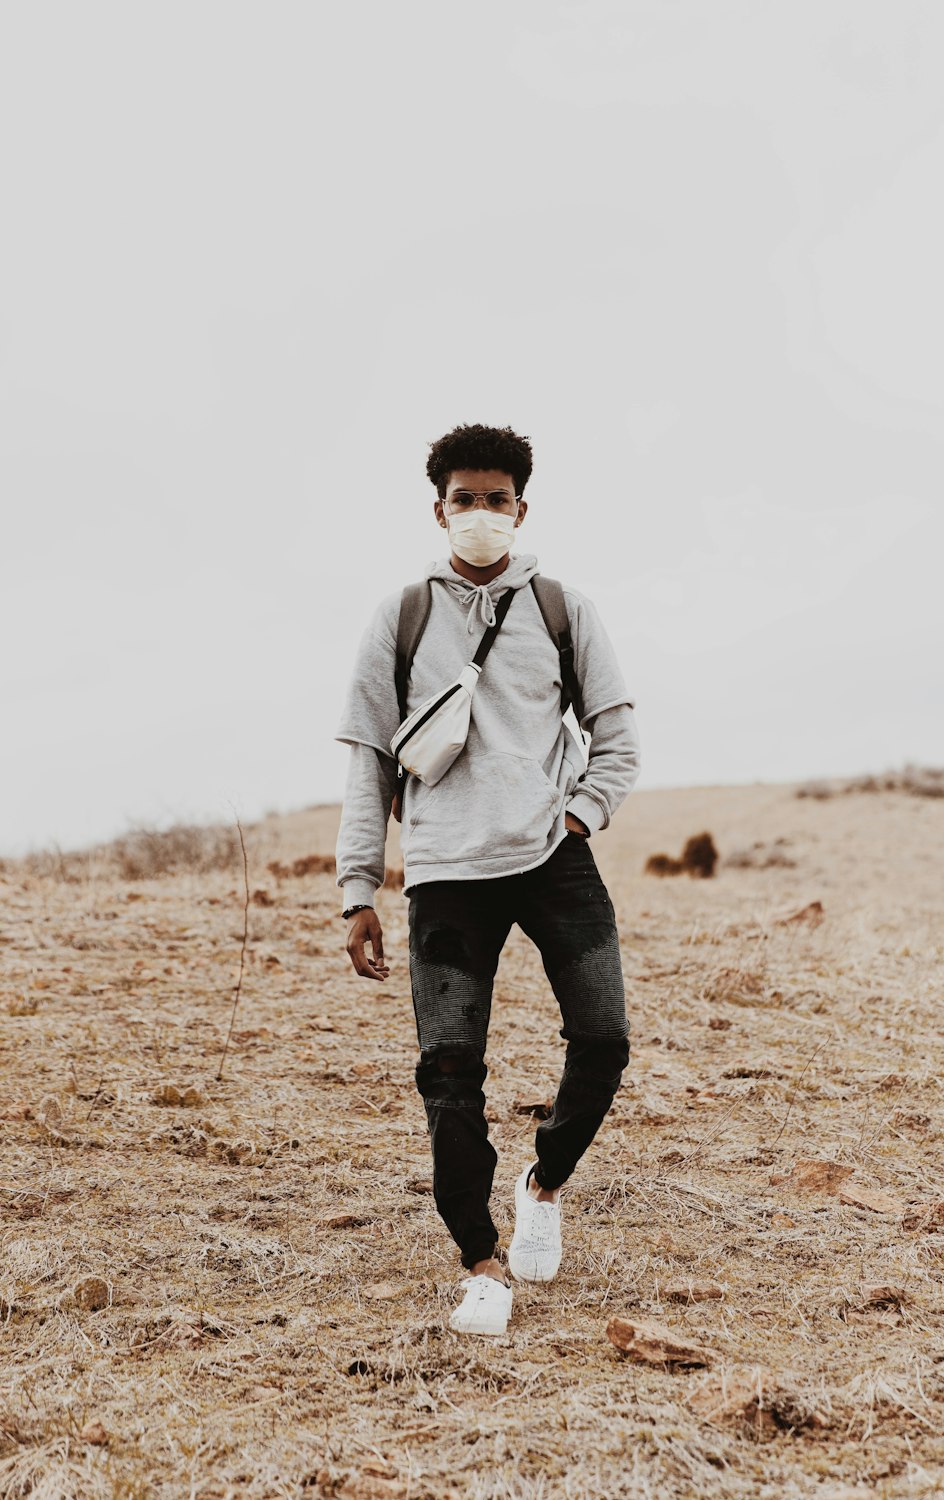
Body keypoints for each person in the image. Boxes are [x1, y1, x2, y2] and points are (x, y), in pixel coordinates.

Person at [335, 423, 640, 1335]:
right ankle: (481, 1260)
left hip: (555, 863)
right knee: (449, 1072)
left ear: (522, 508)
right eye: (462, 499)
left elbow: (617, 740)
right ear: (438, 510)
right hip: (445, 877)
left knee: (606, 1040)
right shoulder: (400, 617)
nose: (479, 514)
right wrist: (359, 888)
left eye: (495, 499)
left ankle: (544, 1182)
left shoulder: (562, 609)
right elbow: (366, 766)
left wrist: (576, 817)